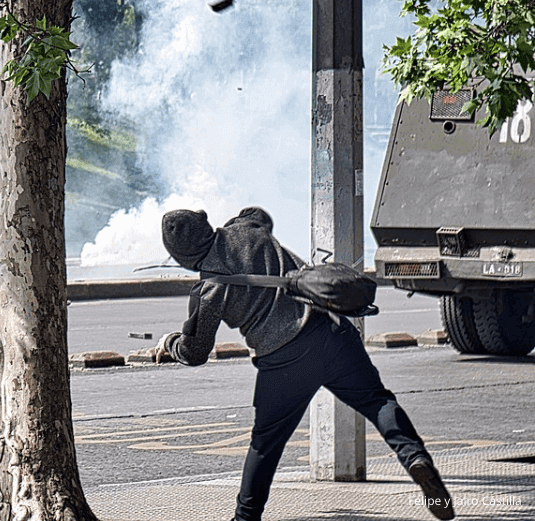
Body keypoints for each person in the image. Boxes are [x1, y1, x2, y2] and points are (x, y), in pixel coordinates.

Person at [151, 206, 455, 521]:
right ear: (206, 223)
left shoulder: (208, 290)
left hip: (282, 362)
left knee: (265, 445)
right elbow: (257, 213)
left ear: (181, 259)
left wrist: (171, 343)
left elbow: (195, 352)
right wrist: (228, 226)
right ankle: (416, 460)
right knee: (377, 401)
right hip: (331, 333)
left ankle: (245, 519)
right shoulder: (248, 230)